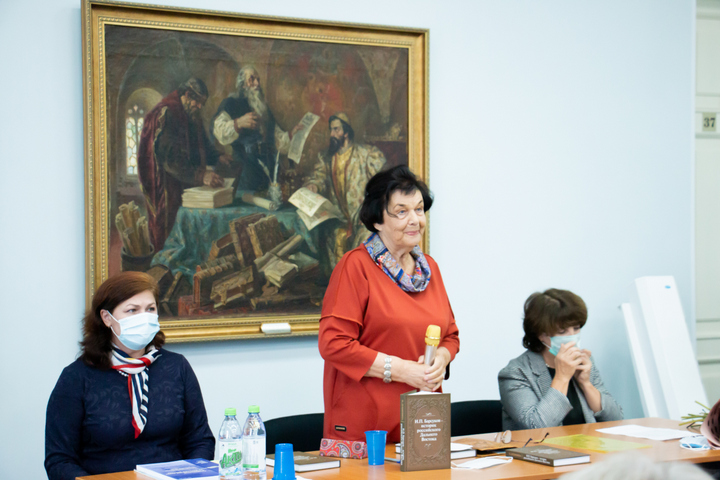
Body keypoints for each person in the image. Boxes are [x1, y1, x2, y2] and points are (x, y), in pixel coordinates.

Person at [318, 165, 459, 443]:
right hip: (366, 426)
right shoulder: (355, 266)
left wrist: (441, 360)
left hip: (422, 420)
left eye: (419, 209)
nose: (415, 220)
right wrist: (405, 371)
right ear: (378, 220)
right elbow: (334, 343)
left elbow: (451, 336)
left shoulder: (429, 269)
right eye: (401, 211)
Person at [45, 272, 215, 480]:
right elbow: (59, 460)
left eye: (150, 309)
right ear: (107, 318)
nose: (144, 317)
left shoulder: (177, 367)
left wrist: (192, 476)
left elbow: (200, 441)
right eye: (132, 310)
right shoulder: (77, 377)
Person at [498, 289, 623, 430]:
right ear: (541, 334)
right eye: (562, 331)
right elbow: (536, 427)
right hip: (541, 445)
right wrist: (562, 377)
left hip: (589, 442)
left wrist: (586, 384)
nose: (572, 336)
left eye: (576, 328)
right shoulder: (516, 372)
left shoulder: (583, 361)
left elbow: (616, 419)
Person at [137, 77, 232, 252]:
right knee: (169, 234)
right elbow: (170, 160)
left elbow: (201, 144)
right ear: (187, 95)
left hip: (188, 183)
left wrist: (218, 157)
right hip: (168, 185)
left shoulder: (191, 114)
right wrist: (201, 176)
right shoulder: (168, 113)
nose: (200, 107)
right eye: (198, 102)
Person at [304, 113, 386, 271]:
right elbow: (319, 177)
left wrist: (371, 209)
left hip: (363, 217)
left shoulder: (366, 154)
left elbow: (383, 185)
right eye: (331, 130)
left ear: (346, 132)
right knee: (331, 239)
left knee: (366, 245)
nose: (332, 134)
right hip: (339, 217)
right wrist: (313, 185)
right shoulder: (327, 157)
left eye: (336, 130)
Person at [213, 66, 301, 191]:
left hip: (268, 167)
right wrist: (238, 123)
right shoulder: (231, 103)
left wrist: (292, 134)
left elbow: (277, 138)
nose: (257, 83)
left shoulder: (264, 109)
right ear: (243, 84)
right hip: (245, 168)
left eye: (258, 80)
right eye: (252, 79)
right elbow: (218, 130)